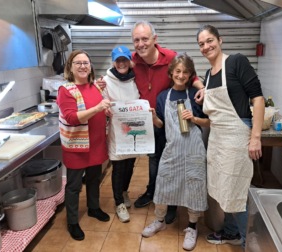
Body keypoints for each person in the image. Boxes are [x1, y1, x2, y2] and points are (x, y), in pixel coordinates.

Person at [196, 24, 265, 248]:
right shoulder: (208, 75)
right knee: (222, 189)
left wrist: (255, 137)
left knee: (235, 191)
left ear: (220, 40)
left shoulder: (236, 62)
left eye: (210, 41)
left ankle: (247, 242)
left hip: (236, 136)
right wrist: (202, 93)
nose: (206, 46)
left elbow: (258, 99)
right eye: (202, 44)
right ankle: (231, 232)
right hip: (217, 137)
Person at [130, 20, 205, 224]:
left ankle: (172, 205)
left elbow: (191, 75)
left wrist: (203, 88)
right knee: (156, 162)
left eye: (145, 38)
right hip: (154, 120)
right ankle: (153, 193)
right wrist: (103, 79)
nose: (141, 43)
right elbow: (118, 71)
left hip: (174, 126)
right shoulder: (133, 60)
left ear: (155, 39)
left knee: (176, 165)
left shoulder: (171, 57)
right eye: (136, 40)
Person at [141, 53, 209, 251]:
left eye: (185, 72)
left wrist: (194, 119)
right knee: (163, 182)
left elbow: (209, 122)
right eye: (177, 71)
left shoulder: (196, 96)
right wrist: (153, 118)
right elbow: (162, 125)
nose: (181, 75)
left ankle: (192, 227)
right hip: (172, 149)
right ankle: (159, 220)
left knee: (194, 185)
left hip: (194, 150)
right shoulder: (163, 96)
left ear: (190, 75)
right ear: (171, 73)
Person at [57, 49, 112, 241]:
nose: (82, 66)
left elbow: (99, 111)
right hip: (77, 147)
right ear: (70, 68)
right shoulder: (66, 90)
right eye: (78, 63)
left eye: (86, 63)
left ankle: (93, 208)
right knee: (73, 186)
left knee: (94, 178)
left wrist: (105, 112)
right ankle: (72, 221)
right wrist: (97, 108)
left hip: (96, 144)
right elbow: (72, 118)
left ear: (90, 67)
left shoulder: (95, 87)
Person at [103, 45, 140, 223]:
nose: (121, 63)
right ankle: (119, 203)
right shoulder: (105, 80)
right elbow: (101, 102)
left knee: (130, 164)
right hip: (117, 132)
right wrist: (106, 109)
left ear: (129, 61)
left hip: (132, 129)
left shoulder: (135, 79)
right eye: (118, 60)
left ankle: (124, 191)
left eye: (124, 59)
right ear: (114, 62)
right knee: (118, 166)